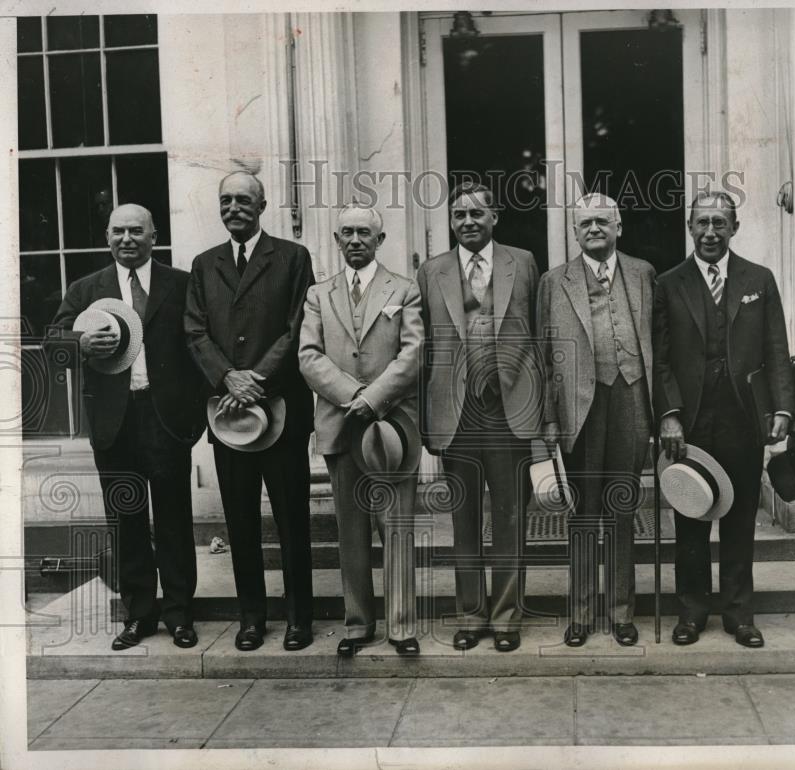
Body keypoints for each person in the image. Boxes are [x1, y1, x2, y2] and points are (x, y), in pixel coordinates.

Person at [49, 204, 205, 650]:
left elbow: (199, 344)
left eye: (137, 231)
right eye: (119, 231)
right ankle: (139, 614)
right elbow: (52, 343)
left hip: (166, 420)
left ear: (154, 236)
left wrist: (193, 416)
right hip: (114, 422)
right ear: (107, 236)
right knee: (125, 518)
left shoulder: (180, 284)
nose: (127, 239)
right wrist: (78, 342)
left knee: (174, 517)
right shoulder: (87, 288)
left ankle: (179, 613)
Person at [653, 191, 795, 648]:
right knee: (689, 516)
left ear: (734, 227)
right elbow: (659, 359)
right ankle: (691, 612)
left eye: (719, 223)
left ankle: (740, 613)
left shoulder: (759, 278)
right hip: (690, 421)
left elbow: (777, 349)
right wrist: (669, 415)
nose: (710, 232)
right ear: (690, 228)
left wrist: (782, 409)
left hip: (744, 416)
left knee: (740, 517)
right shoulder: (669, 282)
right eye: (702, 223)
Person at [184, 171, 315, 652]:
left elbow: (299, 323)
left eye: (243, 200)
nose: (233, 207)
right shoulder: (204, 264)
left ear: (262, 205)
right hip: (228, 414)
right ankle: (252, 618)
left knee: (291, 516)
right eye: (225, 200)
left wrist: (256, 376)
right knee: (239, 519)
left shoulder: (292, 258)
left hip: (280, 408)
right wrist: (227, 378)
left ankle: (300, 617)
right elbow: (195, 330)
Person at [417, 182, 543, 653]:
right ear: (450, 222)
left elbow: (540, 339)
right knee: (463, 520)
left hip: (510, 411)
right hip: (457, 414)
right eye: (458, 215)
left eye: (476, 214)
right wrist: (427, 422)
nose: (468, 222)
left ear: (495, 217)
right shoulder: (432, 272)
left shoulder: (523, 262)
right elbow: (424, 350)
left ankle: (507, 617)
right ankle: (471, 614)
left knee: (511, 519)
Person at [298, 205, 423, 657]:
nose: (355, 240)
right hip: (340, 424)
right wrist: (352, 396)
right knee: (351, 530)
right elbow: (309, 356)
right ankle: (357, 625)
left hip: (393, 427)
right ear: (336, 239)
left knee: (397, 527)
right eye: (347, 232)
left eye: (364, 233)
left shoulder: (404, 290)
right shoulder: (318, 294)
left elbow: (412, 355)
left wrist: (373, 399)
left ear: (380, 239)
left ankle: (403, 626)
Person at [538, 193, 656, 648]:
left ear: (618, 227)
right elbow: (544, 357)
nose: (594, 229)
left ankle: (622, 611)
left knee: (624, 505)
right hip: (578, 406)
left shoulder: (644, 273)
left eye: (602, 222)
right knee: (584, 512)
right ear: (574, 231)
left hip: (631, 397)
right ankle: (582, 613)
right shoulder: (554, 282)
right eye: (585, 223)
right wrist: (549, 418)